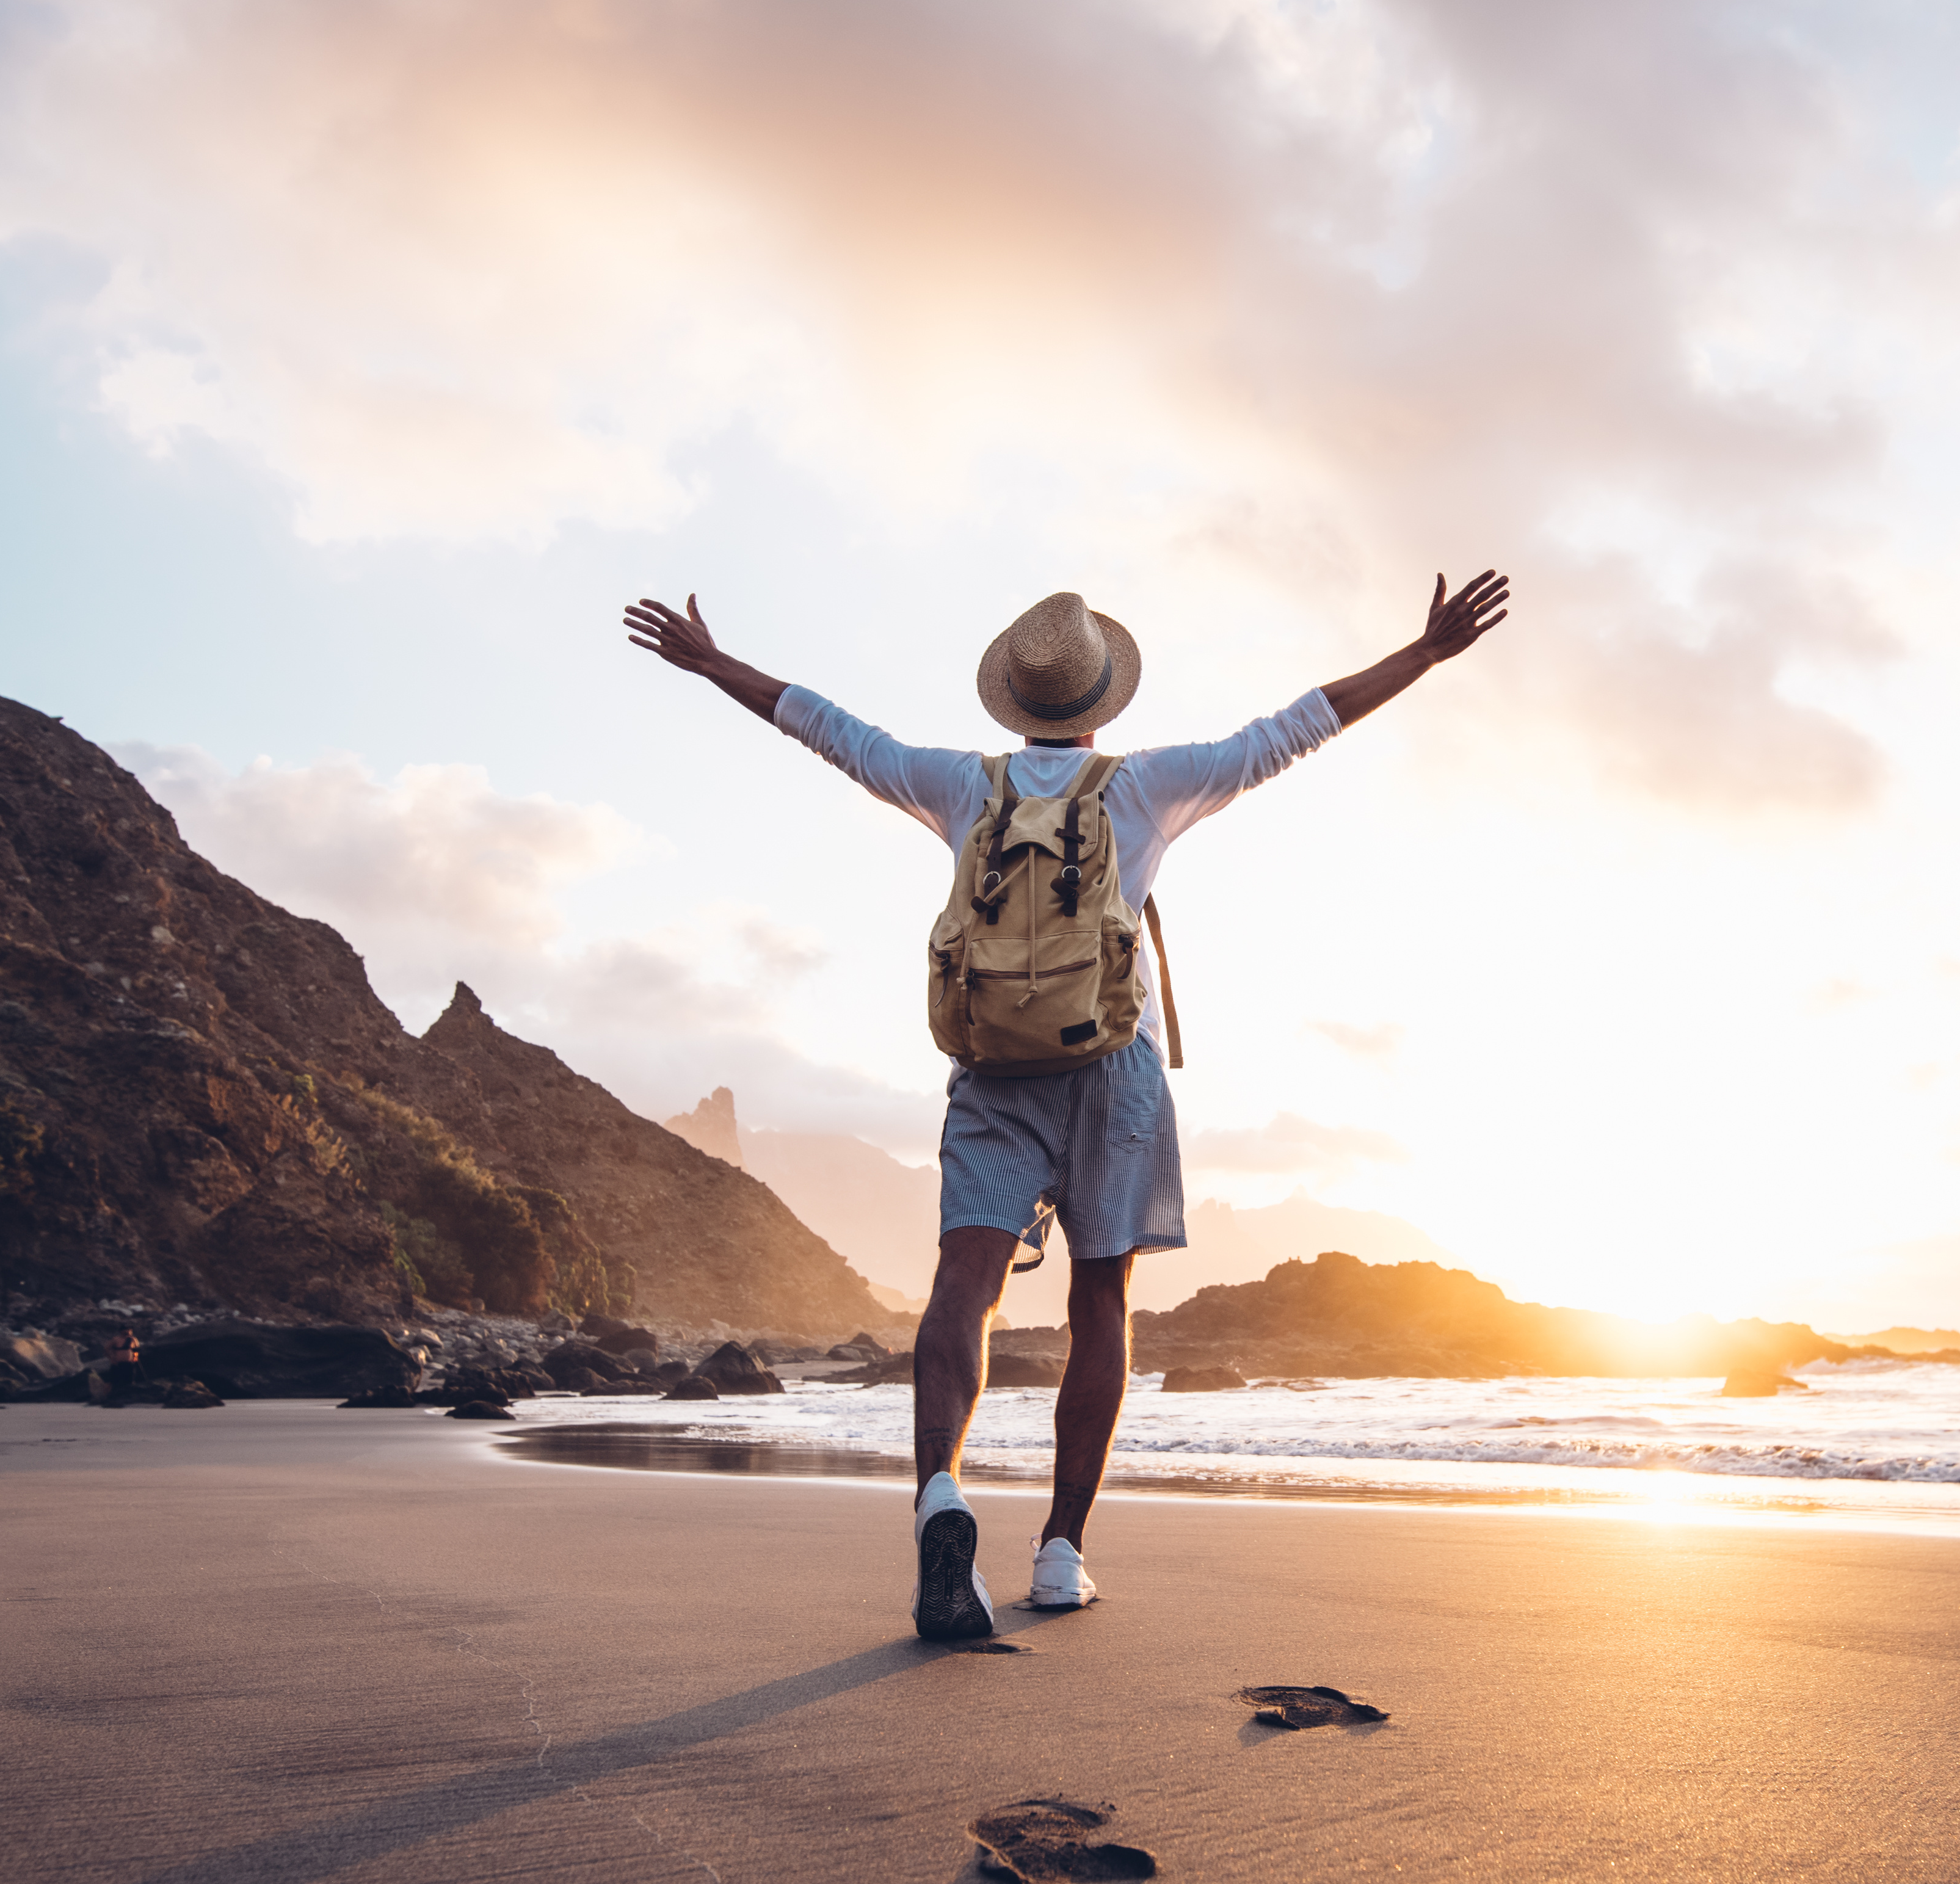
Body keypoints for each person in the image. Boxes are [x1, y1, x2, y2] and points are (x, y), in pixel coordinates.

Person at [623, 570, 1510, 1639]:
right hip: (1111, 1071)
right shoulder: (1147, 788)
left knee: (967, 1282)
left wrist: (714, 663)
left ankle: (941, 1497)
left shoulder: (960, 785)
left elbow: (831, 729)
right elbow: (1295, 729)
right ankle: (1058, 1554)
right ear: (1098, 703)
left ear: (1016, 699)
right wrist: (1421, 655)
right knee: (1101, 1300)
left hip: (995, 1071)